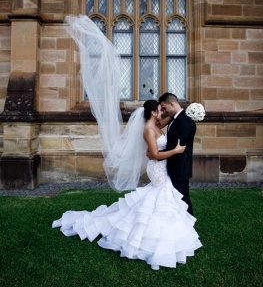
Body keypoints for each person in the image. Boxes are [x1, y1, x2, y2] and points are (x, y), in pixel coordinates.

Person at [52, 99, 202, 270]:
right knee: (161, 196)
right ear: (153, 113)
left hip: (163, 166)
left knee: (163, 197)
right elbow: (153, 155)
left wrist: (187, 115)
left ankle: (168, 234)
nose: (163, 112)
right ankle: (151, 238)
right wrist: (174, 151)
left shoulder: (158, 125)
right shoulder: (148, 129)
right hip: (157, 168)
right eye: (160, 110)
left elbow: (173, 120)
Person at [158, 92, 196, 215]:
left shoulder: (186, 122)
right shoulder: (174, 119)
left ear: (172, 103)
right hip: (173, 165)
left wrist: (155, 155)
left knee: (183, 198)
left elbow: (176, 147)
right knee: (174, 198)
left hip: (180, 167)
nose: (163, 111)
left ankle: (190, 226)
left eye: (164, 108)